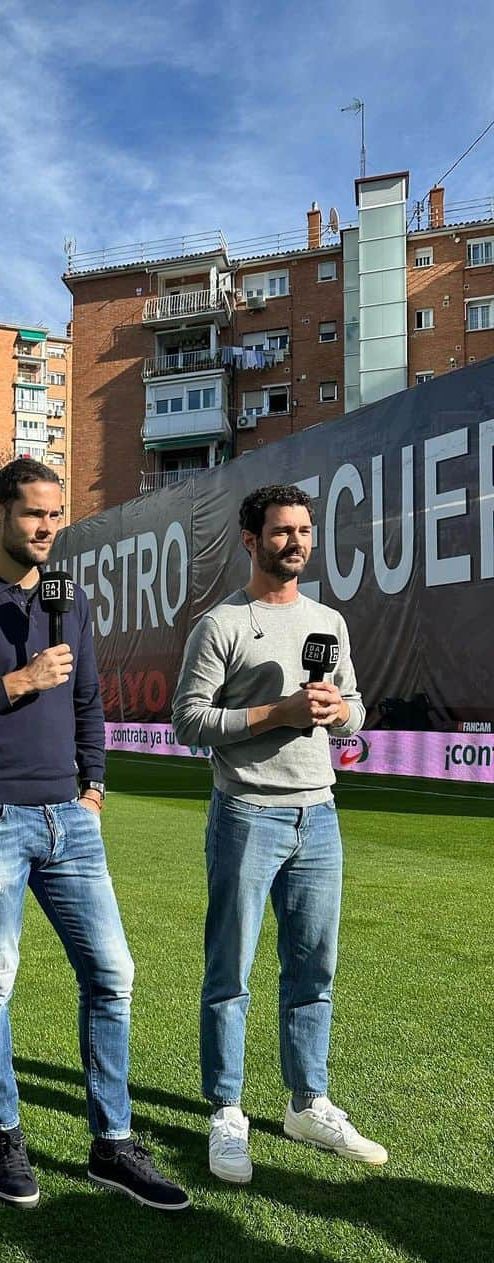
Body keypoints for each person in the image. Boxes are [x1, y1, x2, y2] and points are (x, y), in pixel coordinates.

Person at [0, 459, 189, 1213]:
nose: (46, 528)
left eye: (55, 515)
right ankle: (3, 1132)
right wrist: (20, 681)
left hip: (71, 819)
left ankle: (113, 1143)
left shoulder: (72, 600)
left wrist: (94, 786)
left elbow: (91, 698)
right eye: (33, 513)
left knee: (113, 974)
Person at [172, 483, 387, 1185]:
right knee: (229, 972)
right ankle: (227, 1112)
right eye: (281, 532)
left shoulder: (329, 620)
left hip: (319, 814)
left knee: (313, 971)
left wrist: (334, 710)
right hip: (246, 815)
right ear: (250, 539)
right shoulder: (221, 625)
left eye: (303, 531)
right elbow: (190, 722)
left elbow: (355, 712)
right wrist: (279, 712)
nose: (294, 542)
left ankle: (306, 1103)